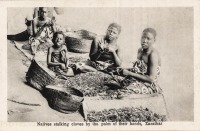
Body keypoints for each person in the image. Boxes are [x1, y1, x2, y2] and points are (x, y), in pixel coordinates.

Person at [115, 28, 162, 94]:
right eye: (143, 37)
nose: (144, 41)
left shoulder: (153, 54)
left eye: (148, 39)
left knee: (123, 92)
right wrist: (124, 70)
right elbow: (140, 70)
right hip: (139, 80)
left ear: (154, 40)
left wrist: (129, 73)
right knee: (113, 79)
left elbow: (151, 79)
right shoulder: (140, 50)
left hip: (149, 85)